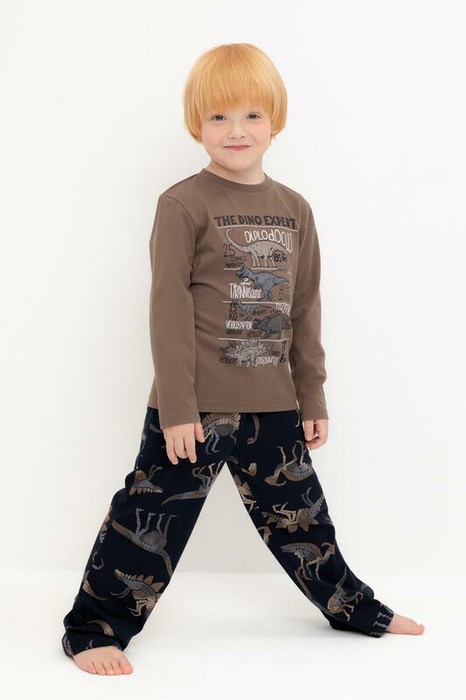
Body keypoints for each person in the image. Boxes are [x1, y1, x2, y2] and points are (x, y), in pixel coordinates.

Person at [61, 42, 424, 676]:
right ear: (196, 124)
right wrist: (178, 407)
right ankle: (92, 630)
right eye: (219, 117)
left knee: (304, 523)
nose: (236, 130)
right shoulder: (183, 204)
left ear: (275, 120)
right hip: (193, 409)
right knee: (147, 523)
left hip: (273, 404)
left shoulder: (294, 209)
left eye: (252, 115)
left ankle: (351, 607)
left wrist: (312, 395)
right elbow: (167, 310)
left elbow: (304, 307)